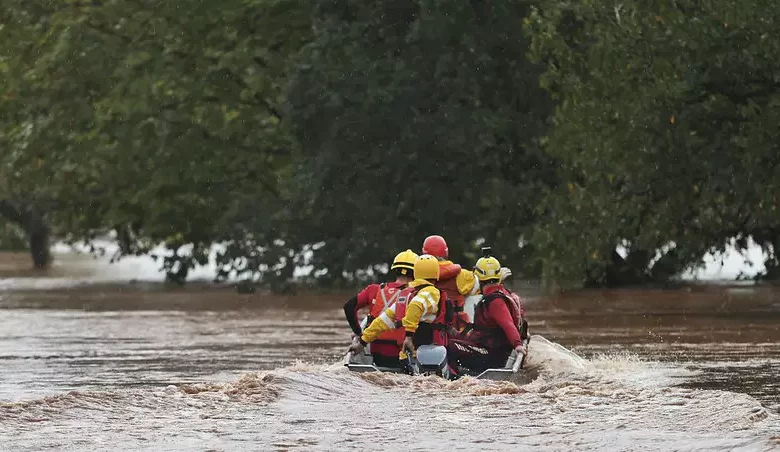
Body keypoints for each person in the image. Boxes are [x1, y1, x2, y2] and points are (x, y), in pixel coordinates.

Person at [348, 254, 451, 369]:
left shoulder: (406, 295)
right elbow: (416, 305)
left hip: (404, 359)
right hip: (421, 357)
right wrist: (409, 336)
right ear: (436, 273)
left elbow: (381, 322)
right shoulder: (432, 292)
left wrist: (362, 343)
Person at [447, 255, 528, 374]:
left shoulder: (494, 301)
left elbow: (507, 324)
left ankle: (453, 379)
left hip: (491, 355)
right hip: (492, 348)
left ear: (478, 279)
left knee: (448, 345)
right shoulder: (503, 293)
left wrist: (517, 345)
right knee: (450, 336)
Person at [343, 249, 418, 368]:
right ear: (417, 272)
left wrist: (359, 333)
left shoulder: (373, 289)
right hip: (402, 354)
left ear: (395, 270)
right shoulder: (417, 294)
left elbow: (348, 307)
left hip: (376, 352)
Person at [421, 235, 511, 330]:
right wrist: (498, 277)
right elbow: (485, 285)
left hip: (429, 329)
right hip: (455, 329)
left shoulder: (418, 277)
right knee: (476, 297)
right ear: (446, 253)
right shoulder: (462, 275)